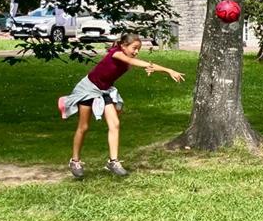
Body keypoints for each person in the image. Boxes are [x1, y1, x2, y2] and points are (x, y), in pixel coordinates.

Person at [58, 32, 185, 178]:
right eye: (134, 48)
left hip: (104, 90)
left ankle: (113, 162)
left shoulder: (126, 56)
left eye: (139, 49)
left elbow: (139, 63)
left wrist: (168, 70)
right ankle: (75, 161)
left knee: (115, 124)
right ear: (124, 46)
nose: (136, 52)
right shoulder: (116, 54)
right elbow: (135, 62)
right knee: (84, 126)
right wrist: (161, 68)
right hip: (88, 88)